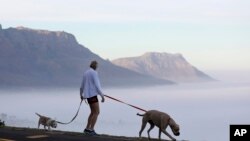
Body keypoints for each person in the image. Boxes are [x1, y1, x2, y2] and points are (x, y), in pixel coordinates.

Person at [80, 60, 105, 135]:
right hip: (93, 95)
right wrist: (102, 95)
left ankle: (87, 129)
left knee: (92, 112)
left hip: (88, 96)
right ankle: (91, 129)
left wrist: (81, 95)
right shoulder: (94, 73)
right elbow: (97, 85)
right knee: (97, 112)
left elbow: (82, 86)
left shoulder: (86, 73)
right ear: (96, 66)